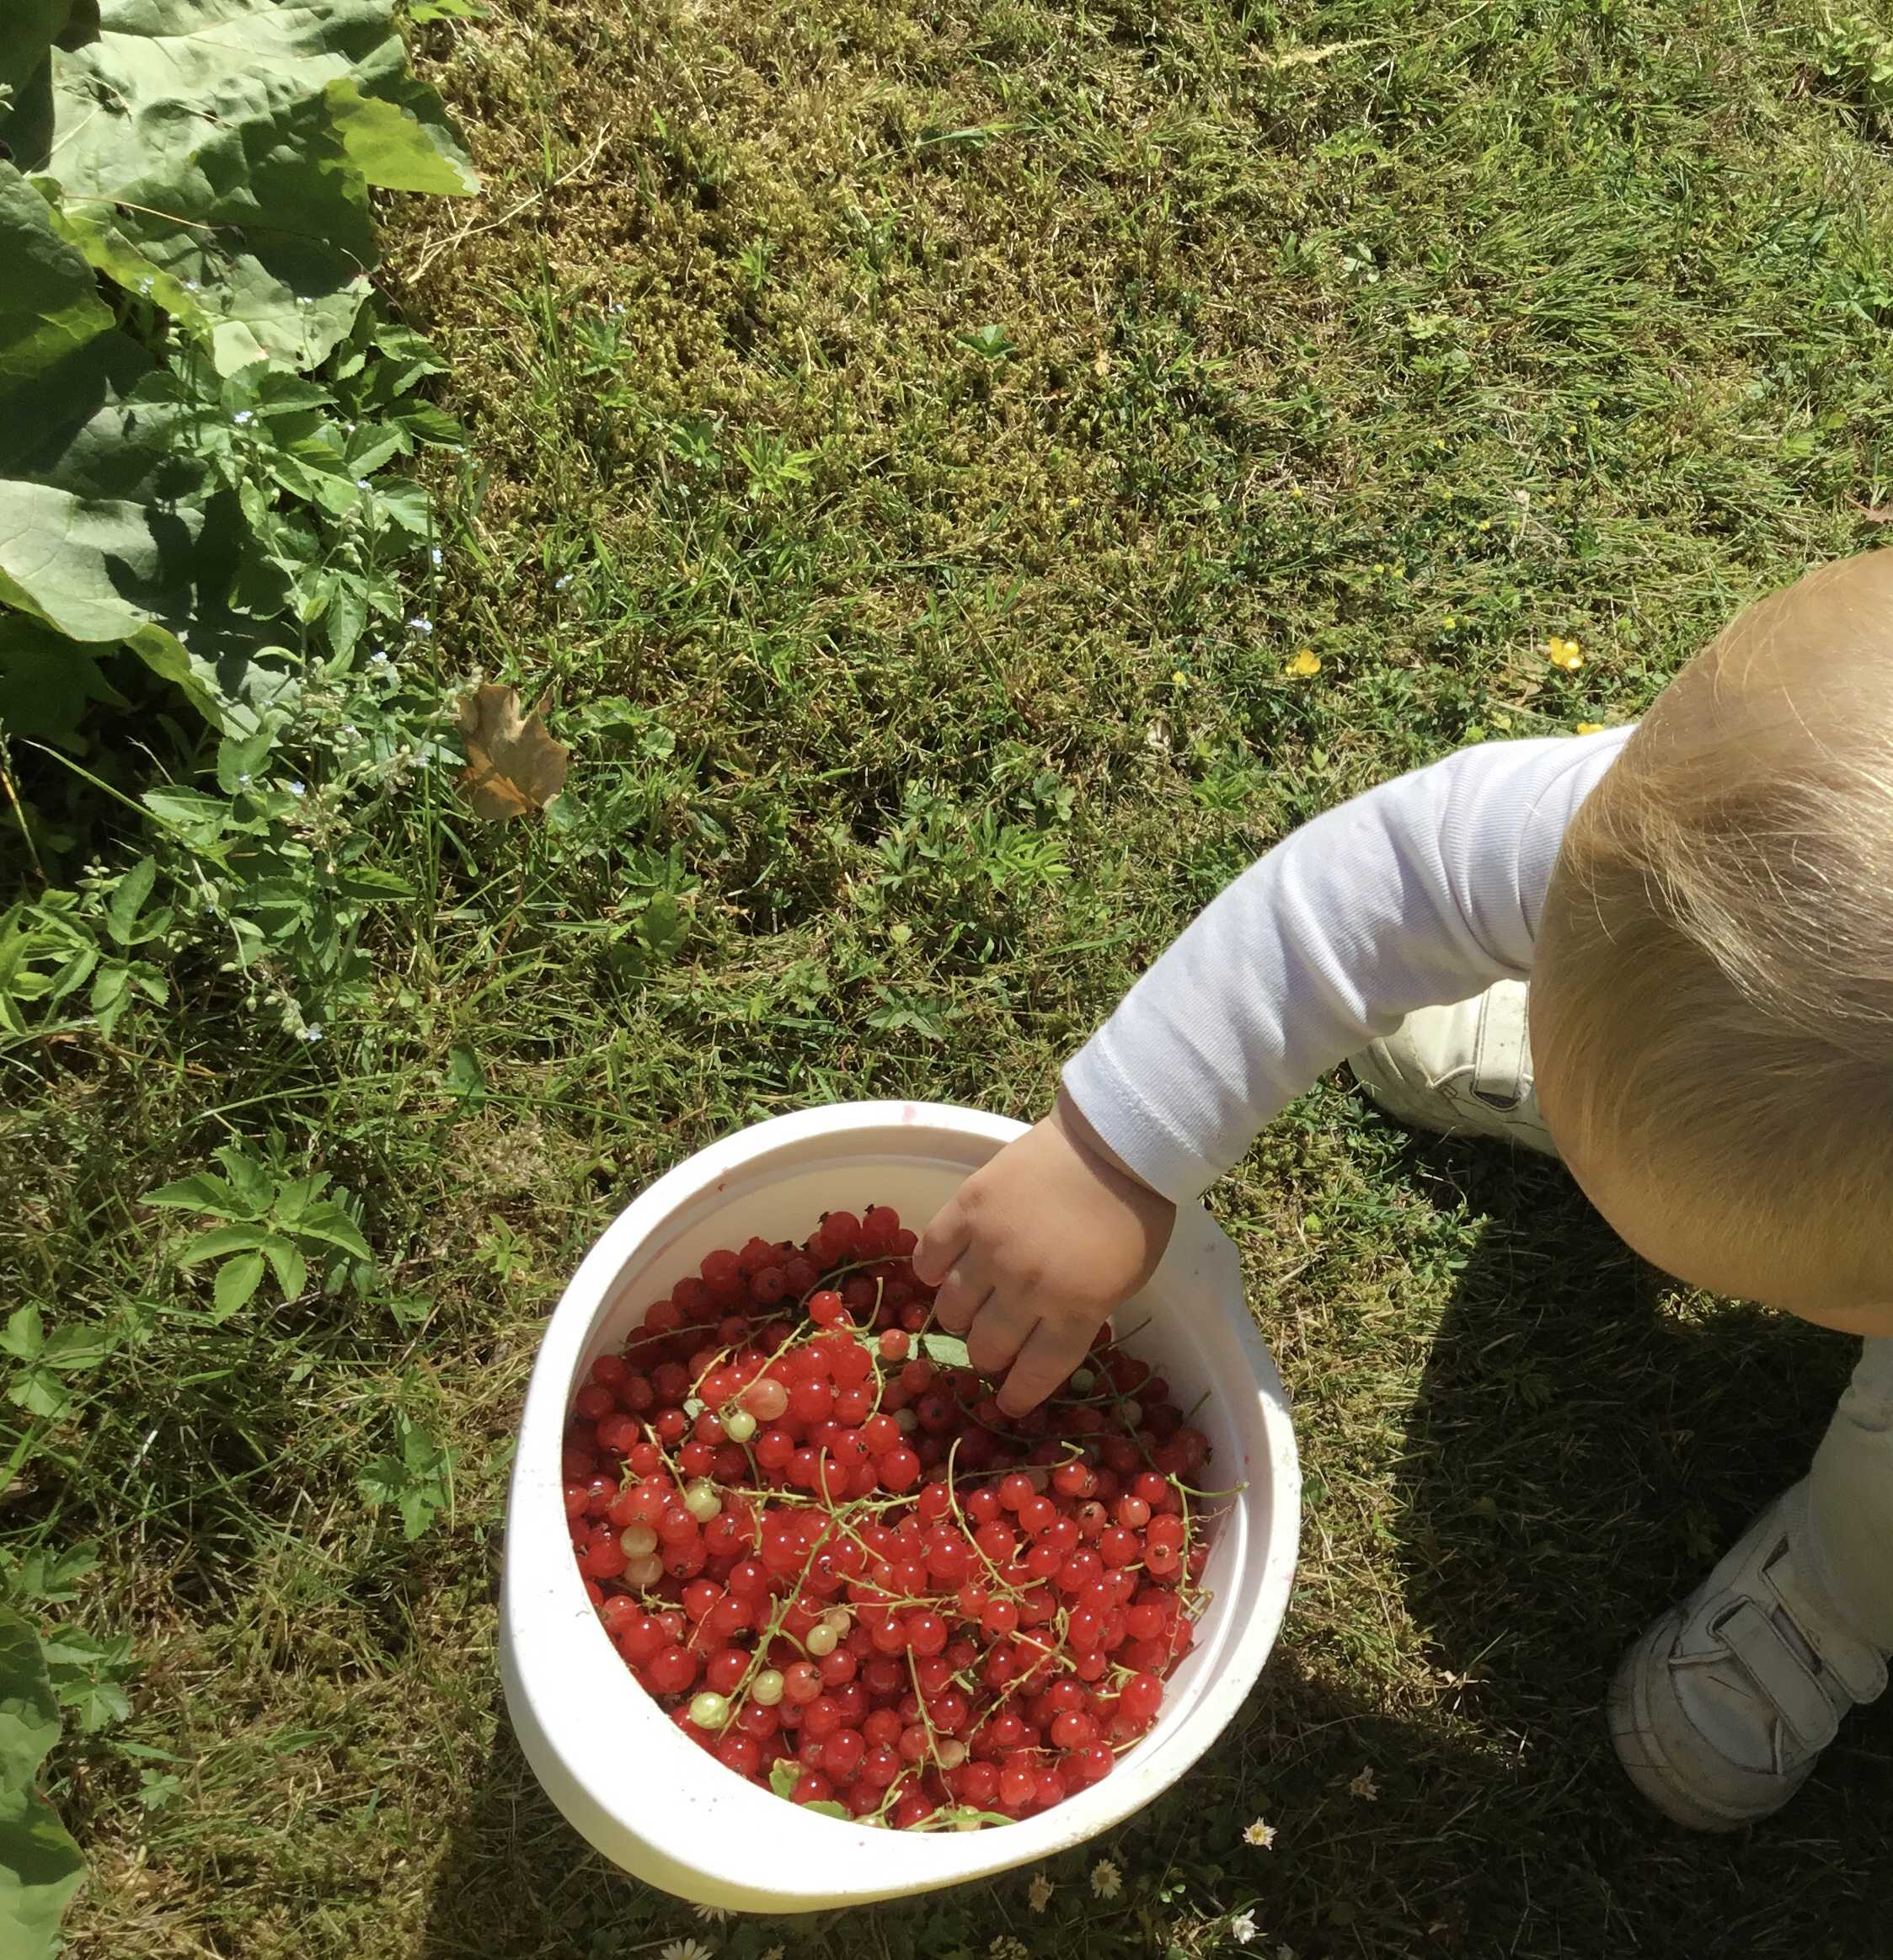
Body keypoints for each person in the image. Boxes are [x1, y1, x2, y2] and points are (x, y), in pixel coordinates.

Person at [913, 551, 1893, 1831]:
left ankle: (1835, 1597)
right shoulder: (1669, 823)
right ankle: (1606, 1063)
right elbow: (1359, 895)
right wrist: (1115, 1150)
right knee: (1691, 1038)